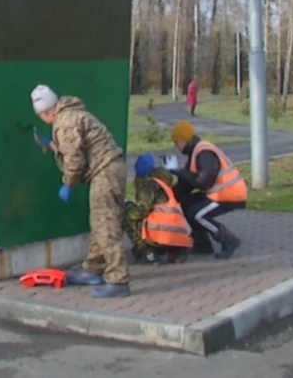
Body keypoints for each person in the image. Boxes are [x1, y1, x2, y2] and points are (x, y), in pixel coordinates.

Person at [31, 83, 131, 298]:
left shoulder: (64, 122)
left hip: (104, 172)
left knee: (106, 224)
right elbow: (78, 145)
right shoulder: (73, 114)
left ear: (45, 112)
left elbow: (75, 161)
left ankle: (118, 279)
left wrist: (68, 184)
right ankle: (92, 268)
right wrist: (54, 146)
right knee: (100, 221)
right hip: (111, 169)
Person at [166, 120, 246, 259]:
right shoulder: (195, 153)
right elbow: (188, 185)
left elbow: (203, 181)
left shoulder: (204, 152)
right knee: (186, 203)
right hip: (218, 193)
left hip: (229, 194)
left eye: (176, 142)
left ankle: (229, 240)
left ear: (183, 139)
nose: (176, 146)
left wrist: (180, 172)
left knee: (198, 215)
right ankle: (202, 244)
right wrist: (169, 196)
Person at [124, 153, 192, 264]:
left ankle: (147, 250)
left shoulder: (147, 184)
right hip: (176, 232)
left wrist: (127, 207)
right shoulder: (164, 183)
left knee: (128, 214)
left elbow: (142, 210)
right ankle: (177, 249)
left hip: (159, 233)